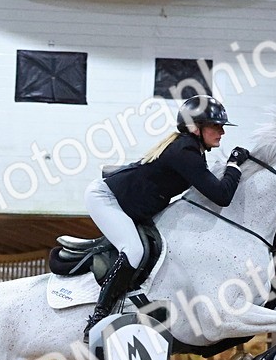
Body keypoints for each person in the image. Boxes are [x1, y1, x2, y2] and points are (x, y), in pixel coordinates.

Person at [81, 95, 251, 340]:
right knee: (134, 251)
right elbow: (221, 196)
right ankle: (98, 317)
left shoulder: (193, 150)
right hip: (106, 199)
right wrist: (234, 165)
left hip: (130, 205)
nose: (222, 132)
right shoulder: (185, 151)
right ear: (195, 127)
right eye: (216, 126)